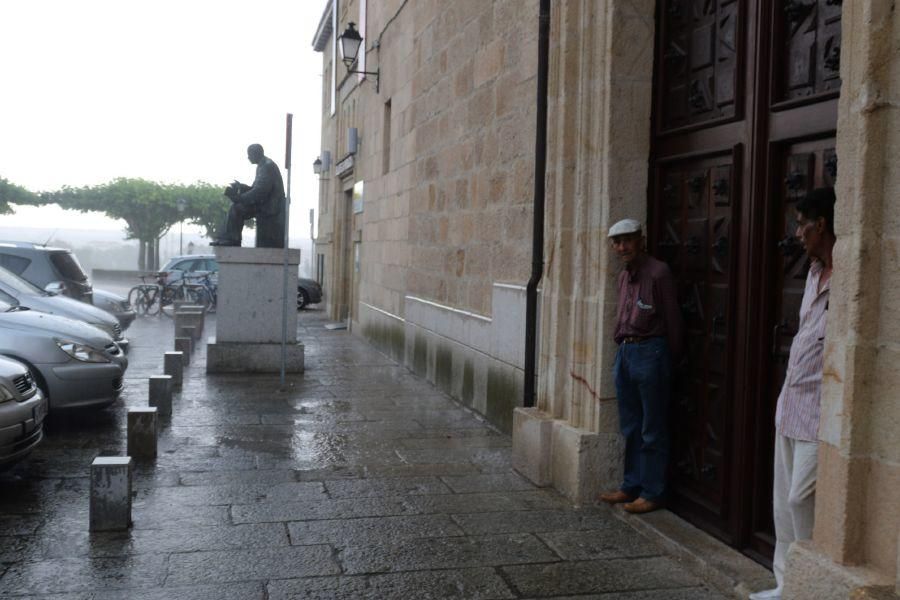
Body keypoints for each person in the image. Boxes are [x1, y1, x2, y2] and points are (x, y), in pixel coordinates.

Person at [750, 188, 836, 600]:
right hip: (791, 404)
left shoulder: (846, 275)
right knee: (783, 505)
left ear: (821, 224)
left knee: (803, 497)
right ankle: (785, 586)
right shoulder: (814, 273)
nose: (797, 233)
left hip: (820, 413)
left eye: (802, 224)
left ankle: (807, 586)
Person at [599, 218, 683, 514]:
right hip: (625, 351)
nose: (622, 247)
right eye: (617, 242)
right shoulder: (624, 277)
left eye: (628, 240)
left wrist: (668, 358)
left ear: (640, 240)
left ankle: (652, 491)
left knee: (652, 427)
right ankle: (630, 485)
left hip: (651, 351)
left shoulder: (658, 273)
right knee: (631, 425)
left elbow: (672, 320)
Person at [212, 143, 286, 248]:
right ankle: (229, 238)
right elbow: (256, 188)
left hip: (269, 206)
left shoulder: (267, 166)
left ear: (256, 154)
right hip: (264, 202)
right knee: (236, 207)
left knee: (237, 208)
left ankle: (232, 240)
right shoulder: (262, 165)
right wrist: (241, 187)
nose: (248, 157)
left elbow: (260, 192)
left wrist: (240, 198)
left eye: (249, 154)